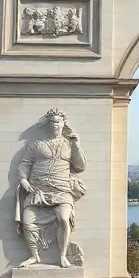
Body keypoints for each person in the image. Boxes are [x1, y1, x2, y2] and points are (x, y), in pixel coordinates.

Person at [15, 108, 87, 268]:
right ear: (48, 124)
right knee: (27, 221)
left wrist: (77, 145)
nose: (55, 125)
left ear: (63, 124)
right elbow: (25, 164)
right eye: (53, 122)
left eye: (58, 122)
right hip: (37, 190)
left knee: (63, 218)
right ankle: (34, 256)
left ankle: (62, 256)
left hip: (61, 190)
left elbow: (80, 166)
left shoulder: (69, 144)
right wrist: (23, 179)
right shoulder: (36, 145)